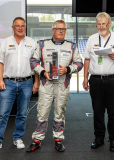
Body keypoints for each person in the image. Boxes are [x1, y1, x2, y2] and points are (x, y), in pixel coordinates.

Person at [26, 20, 83, 152]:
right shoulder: (42, 44)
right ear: (53, 30)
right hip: (46, 84)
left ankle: (58, 139)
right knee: (42, 112)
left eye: (63, 29)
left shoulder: (72, 46)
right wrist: (43, 72)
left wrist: (68, 69)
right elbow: (33, 61)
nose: (61, 31)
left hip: (63, 84)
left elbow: (79, 63)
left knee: (60, 113)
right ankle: (37, 140)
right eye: (58, 29)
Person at [0, 17, 39, 153]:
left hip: (27, 82)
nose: (20, 28)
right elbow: (0, 62)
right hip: (8, 82)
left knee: (22, 114)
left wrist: (36, 82)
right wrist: (0, 80)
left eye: (23, 26)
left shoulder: (32, 43)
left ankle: (18, 138)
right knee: (2, 114)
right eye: (18, 26)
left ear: (25, 27)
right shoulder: (5, 42)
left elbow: (36, 65)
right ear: (13, 27)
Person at [82, 12, 114, 152]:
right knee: (97, 112)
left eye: (103, 23)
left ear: (109, 24)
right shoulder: (91, 39)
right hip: (96, 80)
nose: (101, 26)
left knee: (113, 112)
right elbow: (87, 59)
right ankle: (99, 138)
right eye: (98, 24)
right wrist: (85, 78)